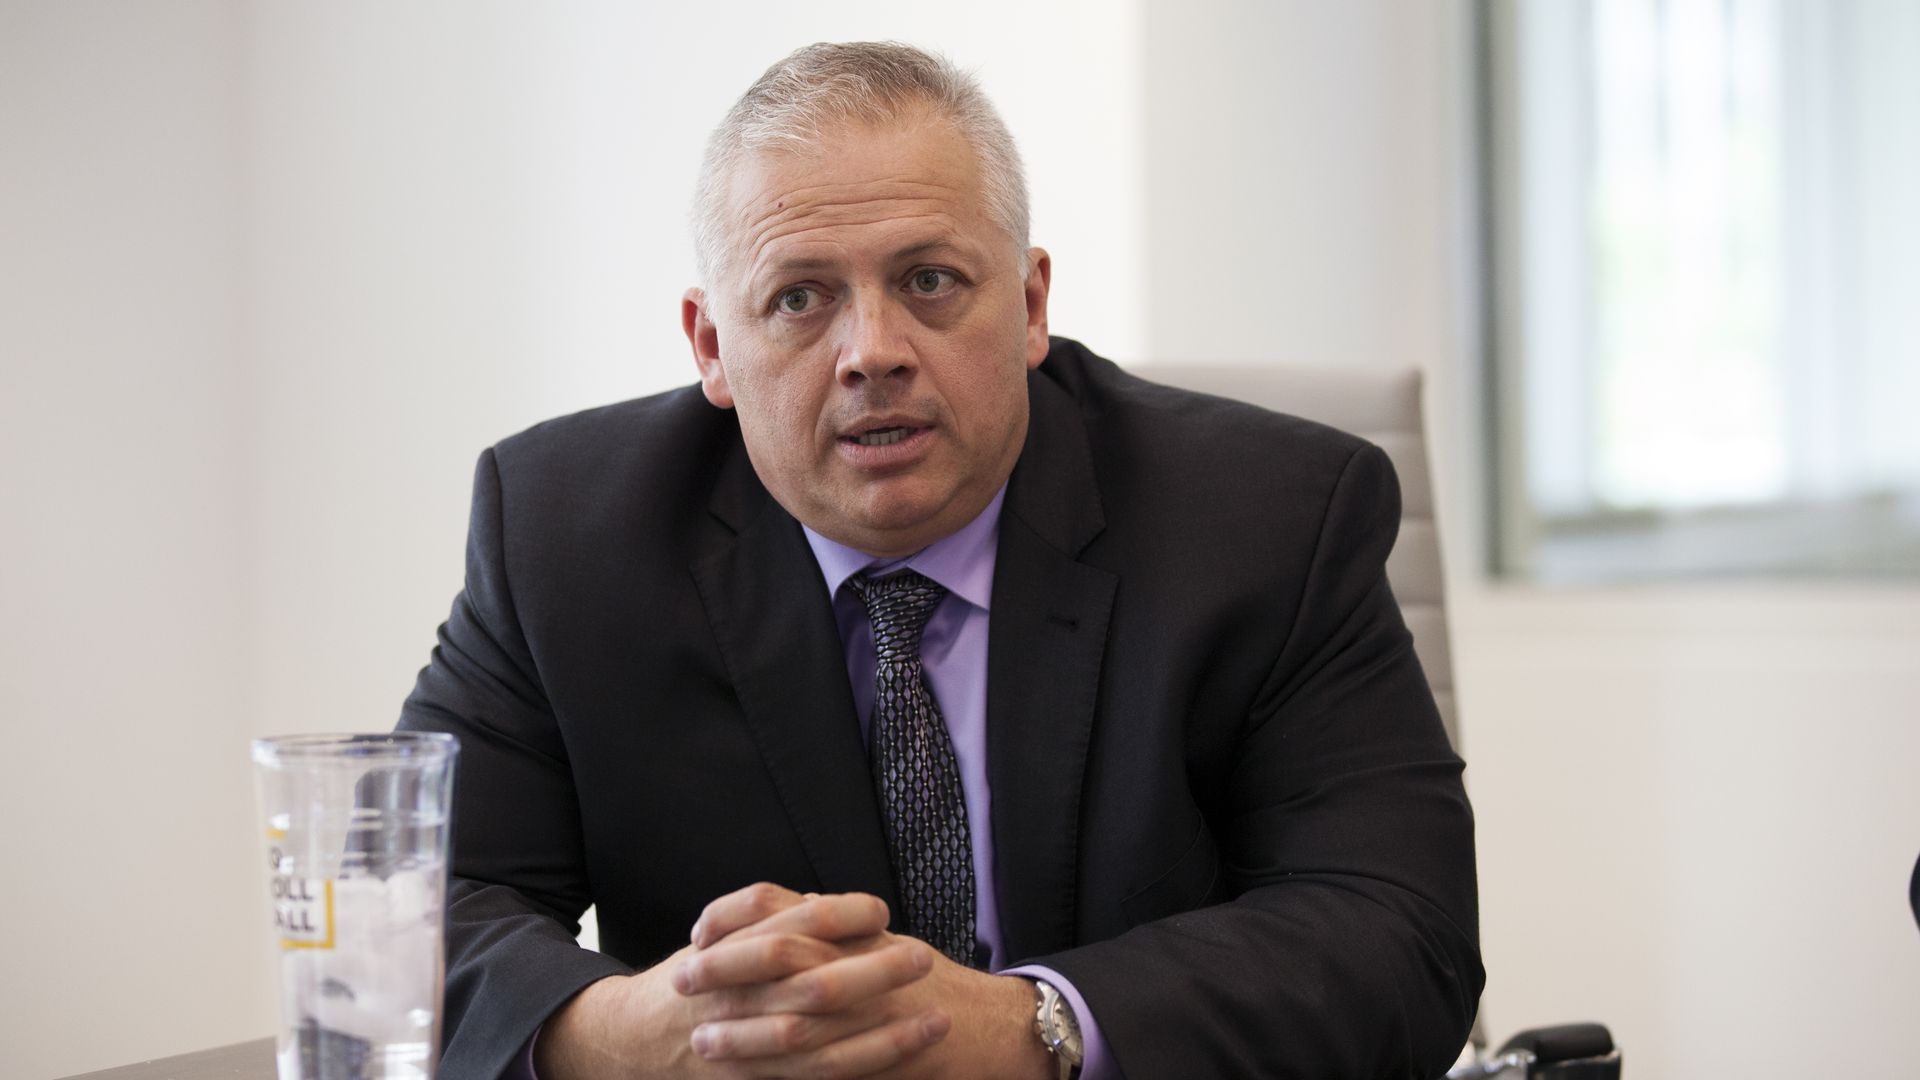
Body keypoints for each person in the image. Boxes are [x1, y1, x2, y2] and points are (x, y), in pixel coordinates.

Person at [398, 41, 1482, 1080]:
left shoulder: (1270, 520)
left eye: (929, 280)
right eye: (799, 297)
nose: (872, 352)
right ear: (712, 346)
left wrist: (1034, 1028)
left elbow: (1400, 931)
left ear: (1030, 306)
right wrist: (630, 1038)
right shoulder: (565, 538)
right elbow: (408, 913)